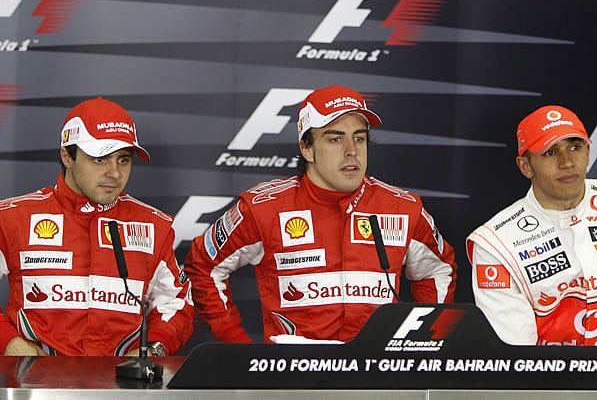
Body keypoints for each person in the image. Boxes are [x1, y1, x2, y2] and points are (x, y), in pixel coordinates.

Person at [185, 85, 457, 343]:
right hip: (292, 379)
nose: (352, 151)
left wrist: (423, 344)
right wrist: (237, 346)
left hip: (377, 377)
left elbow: (438, 270)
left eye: (359, 138)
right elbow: (203, 266)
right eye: (335, 138)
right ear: (307, 148)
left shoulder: (403, 208)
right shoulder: (263, 207)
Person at [0, 97, 194, 356]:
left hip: (123, 389)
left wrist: (154, 347)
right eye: (100, 159)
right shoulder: (13, 218)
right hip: (35, 386)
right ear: (67, 156)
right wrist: (9, 341)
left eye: (123, 160)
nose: (114, 173)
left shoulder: (152, 225)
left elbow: (177, 303)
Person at [467, 105, 597, 347]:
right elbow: (515, 354)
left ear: (588, 151)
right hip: (553, 379)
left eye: (575, 147)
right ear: (525, 166)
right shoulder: (496, 244)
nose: (567, 162)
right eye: (550, 153)